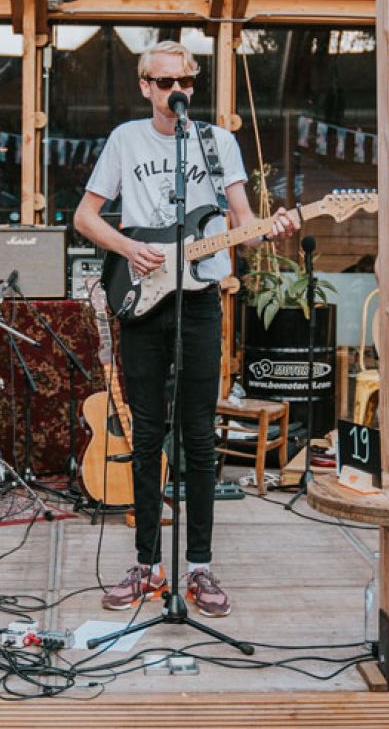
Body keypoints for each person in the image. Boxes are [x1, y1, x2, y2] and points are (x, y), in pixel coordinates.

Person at [73, 40, 297, 618]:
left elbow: (242, 221)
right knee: (146, 436)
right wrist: (129, 247)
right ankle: (147, 562)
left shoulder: (218, 142)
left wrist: (270, 229)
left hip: (200, 299)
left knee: (199, 437)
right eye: (165, 81)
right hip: (144, 296)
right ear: (145, 86)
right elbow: (85, 216)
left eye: (186, 82)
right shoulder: (126, 139)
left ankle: (198, 564)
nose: (178, 91)